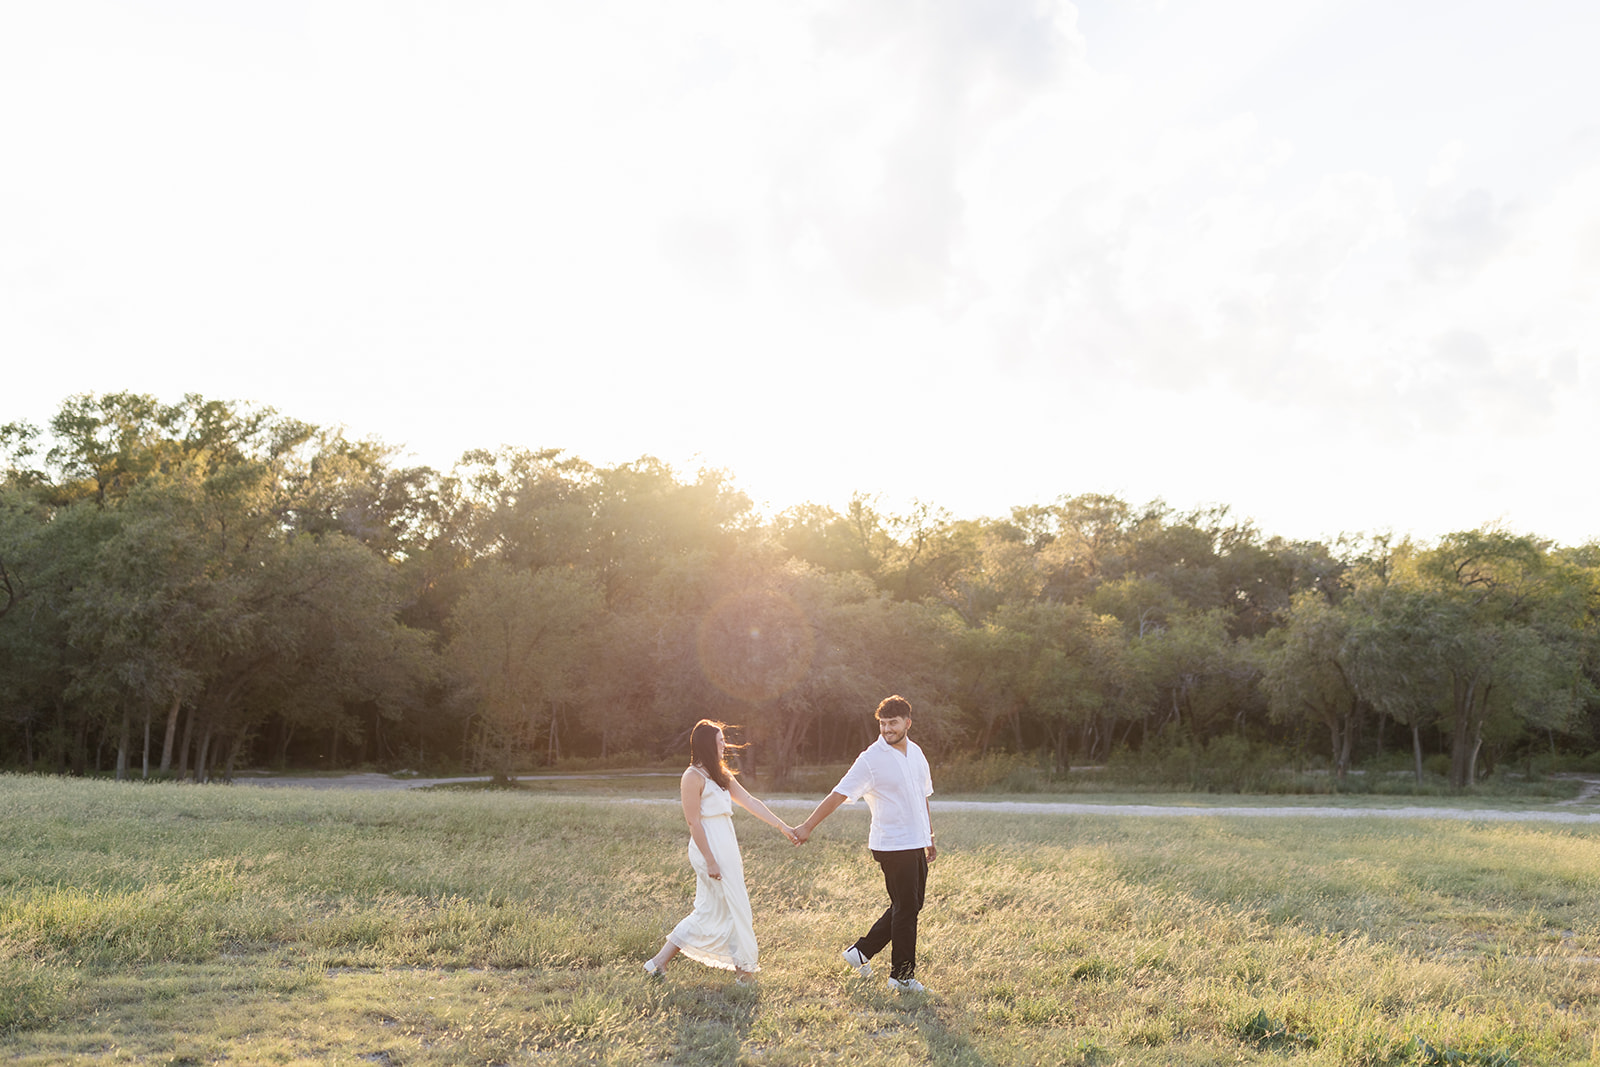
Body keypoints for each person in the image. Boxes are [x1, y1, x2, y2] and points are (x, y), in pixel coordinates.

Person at [794, 694, 936, 994]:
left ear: (907, 723)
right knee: (907, 908)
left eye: (893, 724)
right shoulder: (871, 758)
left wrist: (929, 836)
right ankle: (902, 977)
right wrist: (807, 826)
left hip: (915, 841)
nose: (887, 730)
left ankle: (859, 953)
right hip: (892, 843)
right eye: (883, 724)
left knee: (909, 905)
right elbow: (839, 793)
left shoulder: (917, 753)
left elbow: (922, 795)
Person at [644, 720, 798, 984]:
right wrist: (710, 860)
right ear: (707, 745)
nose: (724, 745)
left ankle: (658, 963)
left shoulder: (721, 774)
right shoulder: (692, 777)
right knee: (724, 908)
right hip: (709, 848)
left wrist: (781, 825)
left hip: (726, 844)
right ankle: (743, 973)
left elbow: (750, 801)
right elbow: (693, 822)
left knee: (722, 908)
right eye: (720, 741)